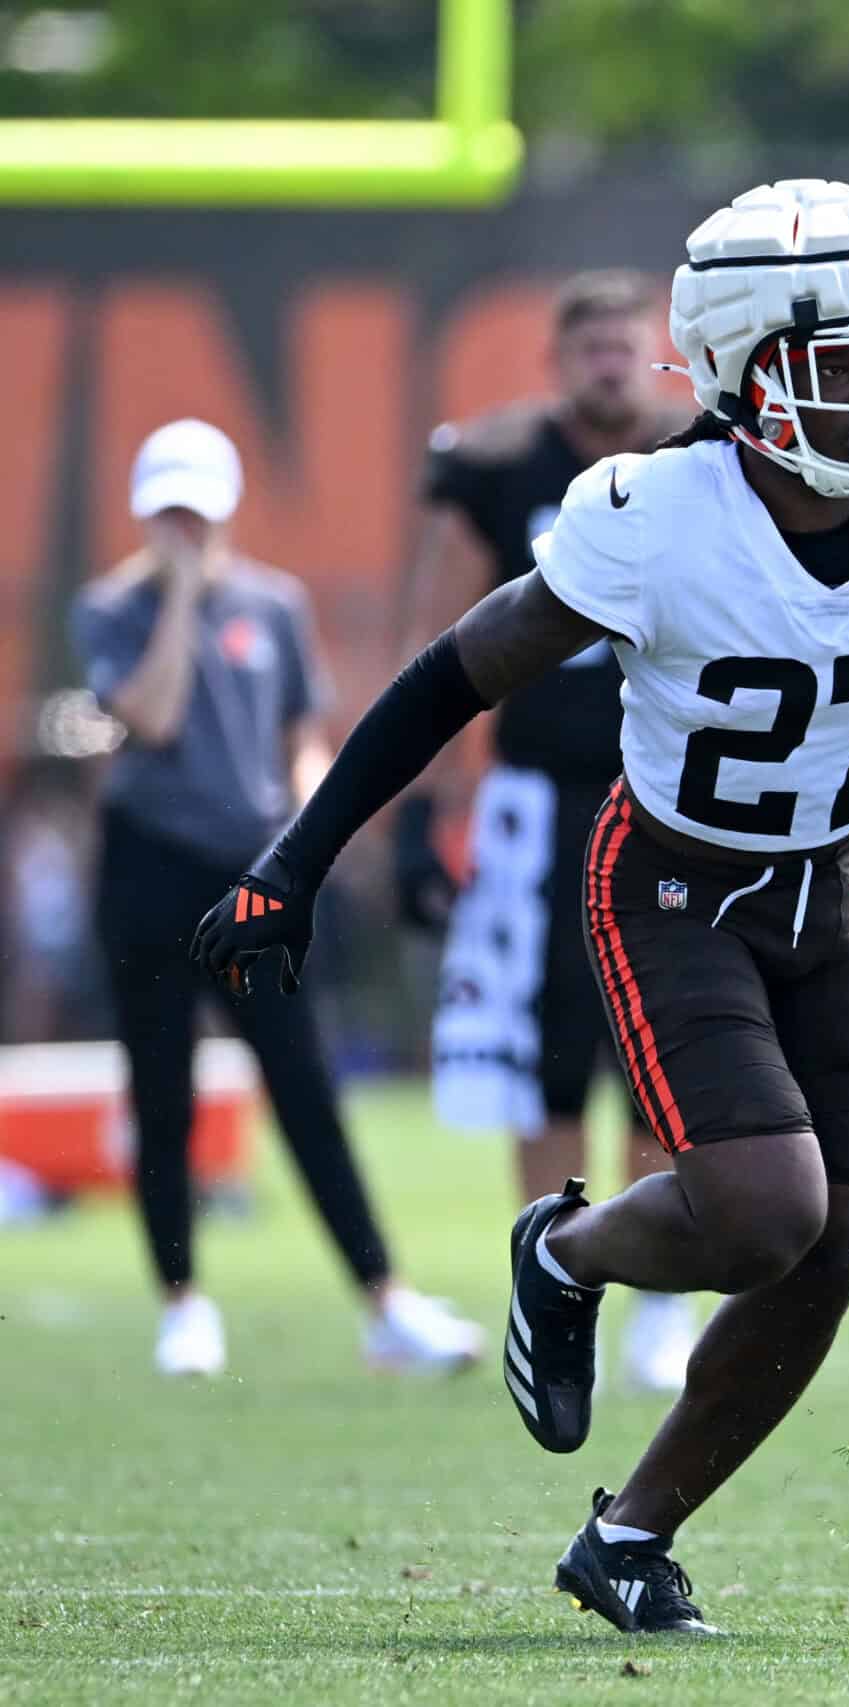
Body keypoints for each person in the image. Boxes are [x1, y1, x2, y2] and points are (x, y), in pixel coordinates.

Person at [192, 179, 849, 1637]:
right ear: (750, 370)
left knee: (835, 1245)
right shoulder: (656, 516)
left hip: (837, 889)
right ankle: (561, 1250)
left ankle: (628, 1530)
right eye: (848, 360)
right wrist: (296, 860)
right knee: (766, 1210)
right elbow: (452, 672)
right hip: (676, 881)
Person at [77, 418, 485, 1380]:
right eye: (166, 508)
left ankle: (385, 1299)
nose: (182, 525)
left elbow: (301, 729)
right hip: (148, 865)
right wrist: (178, 598)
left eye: (194, 507)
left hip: (248, 869)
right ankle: (182, 1301)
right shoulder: (110, 609)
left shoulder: (275, 603)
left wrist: (312, 826)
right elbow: (153, 713)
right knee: (162, 1088)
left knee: (304, 1088)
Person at [395, 271, 699, 1394]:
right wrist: (426, 814)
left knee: (665, 1056)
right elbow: (442, 651)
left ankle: (660, 1305)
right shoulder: (503, 471)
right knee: (549, 1066)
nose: (610, 363)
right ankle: (556, 1275)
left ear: (655, 355)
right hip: (539, 807)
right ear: (559, 361)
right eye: (591, 346)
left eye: (627, 345)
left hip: (667, 798)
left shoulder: (689, 465)